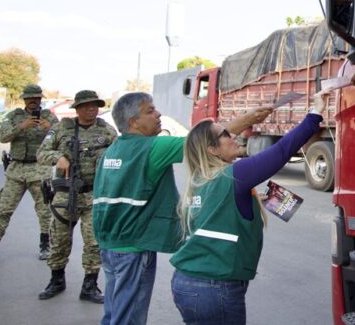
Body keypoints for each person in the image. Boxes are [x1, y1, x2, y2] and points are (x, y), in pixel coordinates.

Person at [93, 92, 273, 325]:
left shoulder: (112, 150)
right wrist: (248, 119)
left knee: (113, 311)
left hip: (108, 245)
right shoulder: (151, 147)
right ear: (133, 122)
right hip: (133, 247)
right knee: (128, 318)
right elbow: (202, 142)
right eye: (150, 111)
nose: (158, 114)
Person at [169, 93, 329, 325]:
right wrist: (315, 113)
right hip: (214, 287)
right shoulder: (233, 175)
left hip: (188, 283)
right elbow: (281, 151)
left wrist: (252, 201)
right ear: (212, 150)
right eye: (225, 134)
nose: (234, 135)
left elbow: (216, 213)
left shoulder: (199, 179)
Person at [36, 90, 118, 303]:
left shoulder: (107, 130)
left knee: (94, 243)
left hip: (94, 194)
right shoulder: (61, 128)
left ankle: (90, 286)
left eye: (95, 105)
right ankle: (57, 280)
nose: (92, 109)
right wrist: (58, 157)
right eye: (87, 105)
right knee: (59, 240)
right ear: (77, 108)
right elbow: (41, 153)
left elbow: (120, 157)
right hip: (66, 193)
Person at [0, 84, 58, 266]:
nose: (33, 101)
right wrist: (21, 127)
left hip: (39, 169)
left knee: (45, 212)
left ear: (40, 99)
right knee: (3, 210)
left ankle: (45, 246)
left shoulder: (49, 117)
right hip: (16, 170)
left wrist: (49, 128)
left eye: (37, 98)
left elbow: (61, 139)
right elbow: (2, 137)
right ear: (24, 99)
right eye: (30, 98)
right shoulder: (14, 116)